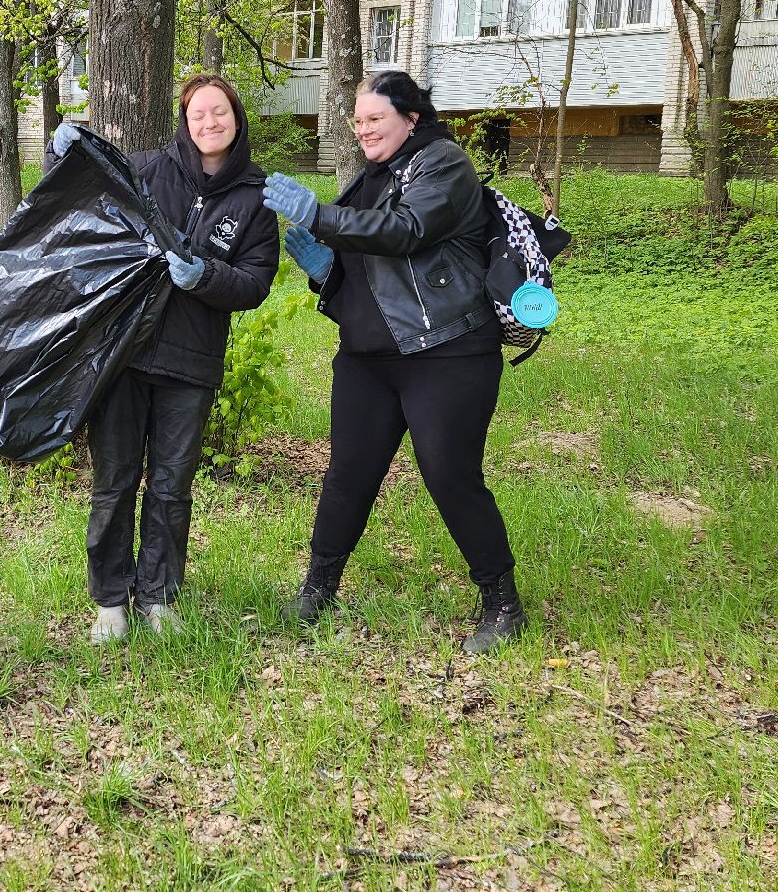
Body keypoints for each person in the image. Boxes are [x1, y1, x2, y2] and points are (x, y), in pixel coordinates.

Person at [262, 70, 526, 655]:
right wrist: (325, 270)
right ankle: (318, 588)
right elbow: (366, 273)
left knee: (450, 476)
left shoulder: (443, 163)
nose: (363, 130)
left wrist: (320, 216)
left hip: (446, 353)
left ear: (411, 118)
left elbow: (405, 232)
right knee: (348, 474)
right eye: (357, 122)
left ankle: (503, 603)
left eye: (374, 119)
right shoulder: (370, 179)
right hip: (368, 359)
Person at [52, 74, 278, 643]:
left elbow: (255, 283)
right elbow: (89, 198)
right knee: (114, 481)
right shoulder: (149, 168)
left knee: (172, 488)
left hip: (192, 364)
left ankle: (158, 598)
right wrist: (65, 154)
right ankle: (110, 601)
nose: (210, 123)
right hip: (126, 355)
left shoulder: (255, 196)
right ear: (185, 119)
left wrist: (206, 276)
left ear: (236, 117)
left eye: (219, 113)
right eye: (199, 113)